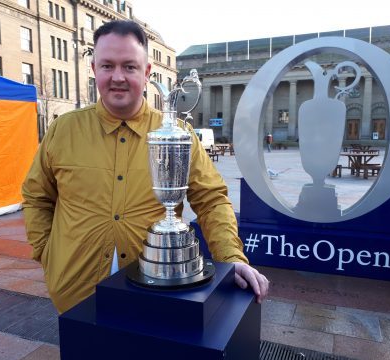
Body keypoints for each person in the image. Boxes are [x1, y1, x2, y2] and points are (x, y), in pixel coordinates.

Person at [22, 20, 269, 314]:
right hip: (74, 289)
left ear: (147, 72)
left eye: (129, 66)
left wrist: (231, 258)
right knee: (87, 358)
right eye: (107, 66)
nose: (117, 77)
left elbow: (211, 199)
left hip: (156, 288)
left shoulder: (177, 134)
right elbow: (37, 197)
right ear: (94, 69)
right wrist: (47, 253)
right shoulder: (63, 130)